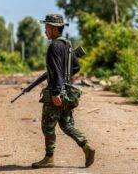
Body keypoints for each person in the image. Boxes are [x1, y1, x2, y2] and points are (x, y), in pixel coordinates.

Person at [32, 14, 95, 169]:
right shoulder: (67, 45)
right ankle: (86, 147)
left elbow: (54, 71)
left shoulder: (54, 47)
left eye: (47, 27)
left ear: (54, 29)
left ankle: (49, 158)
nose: (45, 30)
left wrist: (56, 92)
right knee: (66, 124)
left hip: (58, 92)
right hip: (66, 91)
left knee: (47, 126)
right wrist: (65, 80)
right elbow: (76, 67)